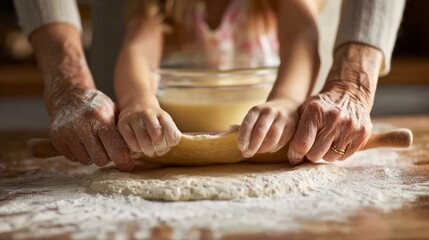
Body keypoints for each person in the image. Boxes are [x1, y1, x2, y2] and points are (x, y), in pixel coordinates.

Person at [13, 0, 405, 171]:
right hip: (177, 128)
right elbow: (137, 52)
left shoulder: (276, 3)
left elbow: (302, 46)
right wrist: (137, 103)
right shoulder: (161, 3)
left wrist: (286, 103)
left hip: (262, 121)